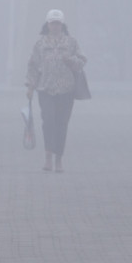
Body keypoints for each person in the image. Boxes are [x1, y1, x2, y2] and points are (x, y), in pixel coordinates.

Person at [25, 9, 86, 172]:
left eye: (58, 23)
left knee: (62, 124)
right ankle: (48, 158)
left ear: (62, 25)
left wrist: (70, 60)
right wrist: (30, 86)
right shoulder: (40, 44)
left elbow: (82, 62)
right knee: (48, 122)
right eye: (52, 23)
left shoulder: (71, 43)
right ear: (47, 25)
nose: (55, 26)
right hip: (45, 89)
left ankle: (59, 159)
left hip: (66, 90)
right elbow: (32, 66)